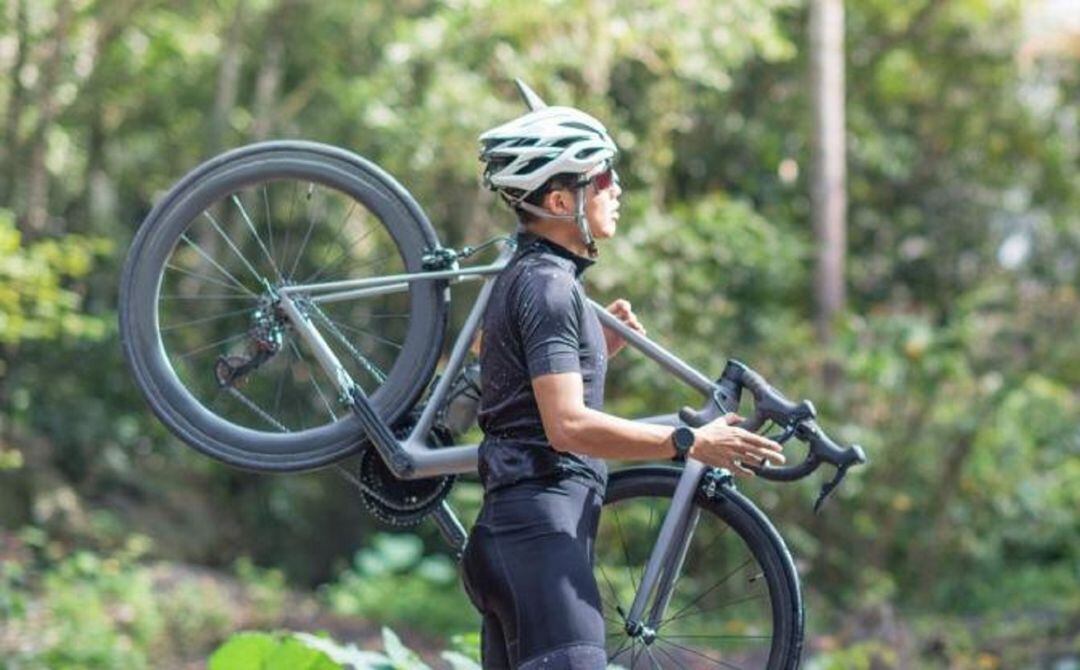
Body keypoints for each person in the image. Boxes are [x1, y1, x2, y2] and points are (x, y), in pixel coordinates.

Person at [460, 90, 787, 670]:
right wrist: (691, 442)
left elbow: (512, 395)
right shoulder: (550, 287)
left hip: (519, 535)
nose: (617, 190)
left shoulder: (529, 277)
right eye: (603, 177)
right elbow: (565, 427)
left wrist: (594, 354)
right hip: (540, 537)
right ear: (561, 199)